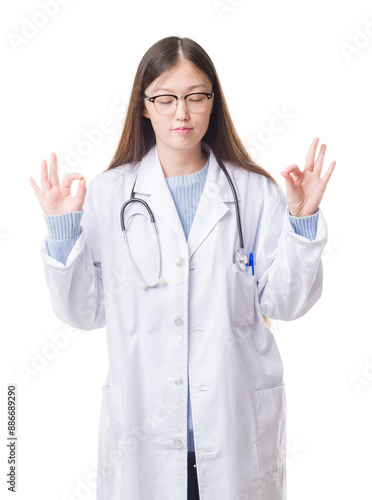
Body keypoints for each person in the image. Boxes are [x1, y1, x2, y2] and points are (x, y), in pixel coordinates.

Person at [30, 36, 336, 500]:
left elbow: (286, 302)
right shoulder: (111, 195)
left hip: (235, 435)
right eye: (166, 98)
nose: (182, 113)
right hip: (143, 437)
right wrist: (62, 229)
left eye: (196, 97)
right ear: (144, 106)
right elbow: (82, 312)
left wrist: (303, 219)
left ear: (213, 103)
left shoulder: (255, 193)